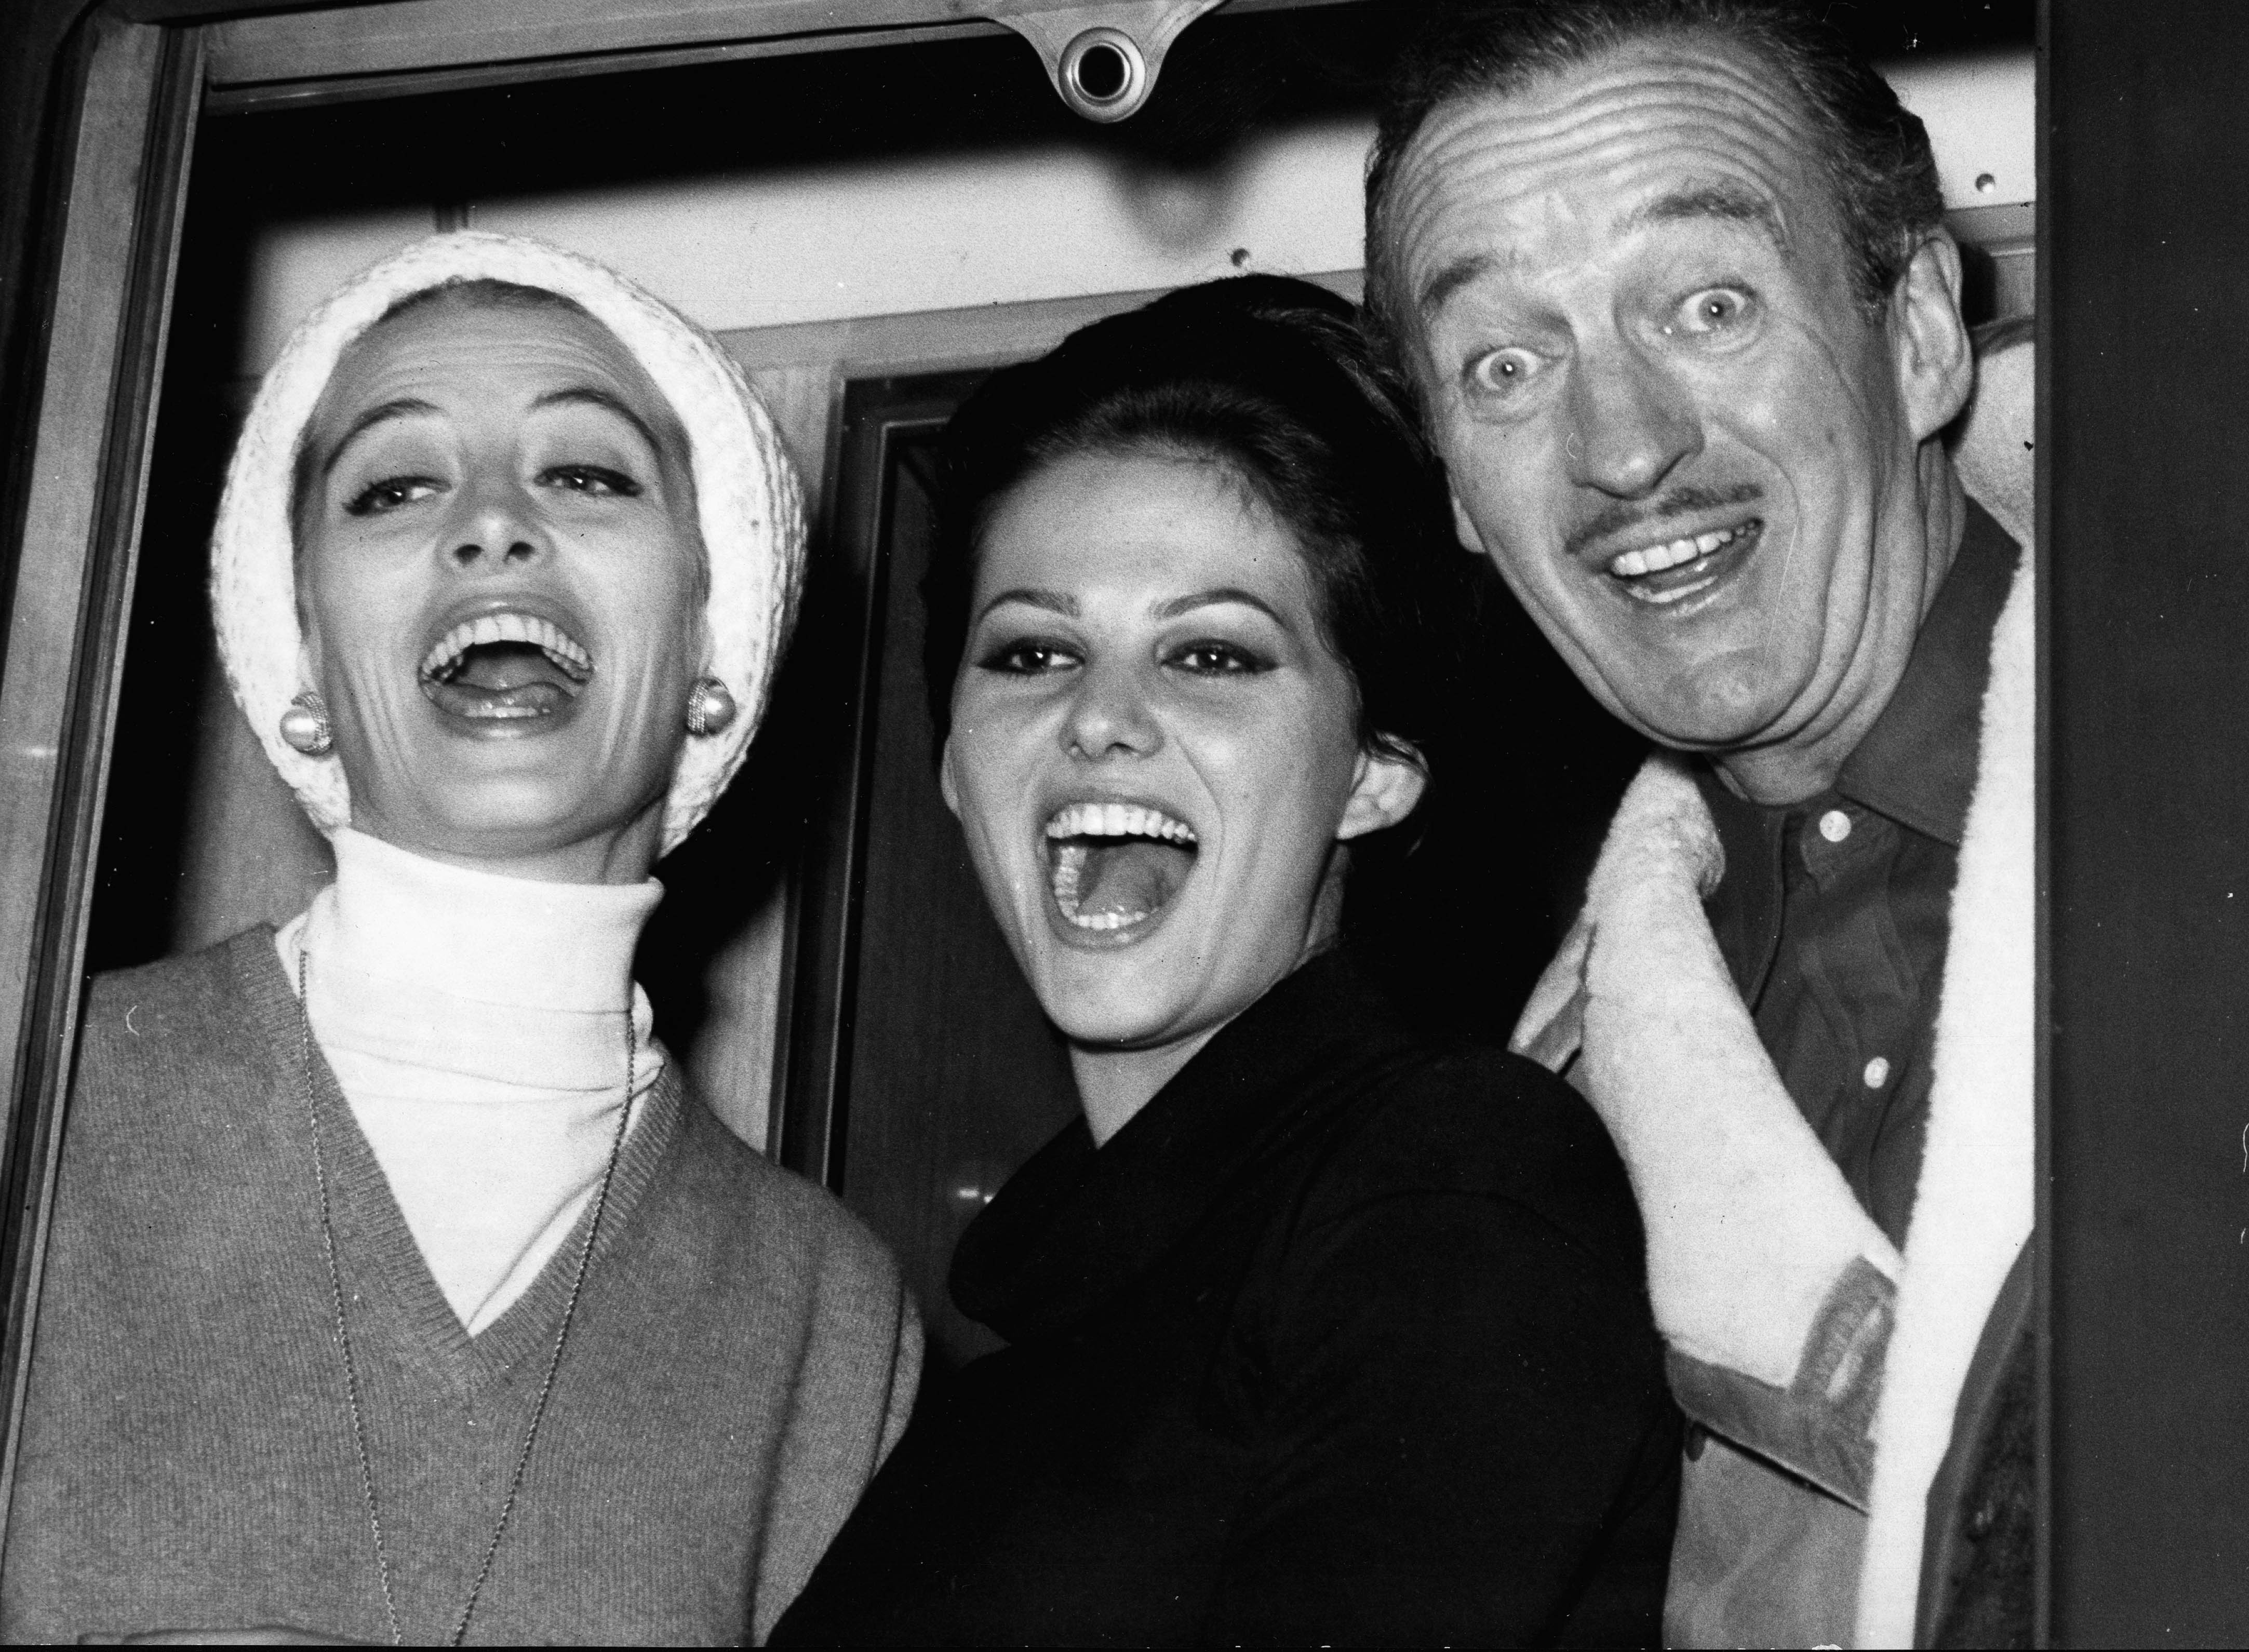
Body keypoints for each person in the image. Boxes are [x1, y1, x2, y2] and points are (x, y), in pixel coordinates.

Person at [4, 232, 919, 1645]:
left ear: (713, 643)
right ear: (303, 658)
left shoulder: (830, 1318)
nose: (492, 524)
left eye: (588, 474)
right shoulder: (36, 1104)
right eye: (395, 486)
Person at [770, 275, 1680, 1647]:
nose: (1099, 719)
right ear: (955, 764)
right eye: (1033, 652)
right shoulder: (1023, 1352)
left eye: (1209, 655)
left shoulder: (1452, 1182)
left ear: (1375, 771)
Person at [1362, 0, 2034, 1648]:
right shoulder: (1524, 1122)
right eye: (1505, 367)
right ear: (1456, 491)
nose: (1622, 447)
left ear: (1919, 333)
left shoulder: (2244, 816)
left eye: (1708, 307)